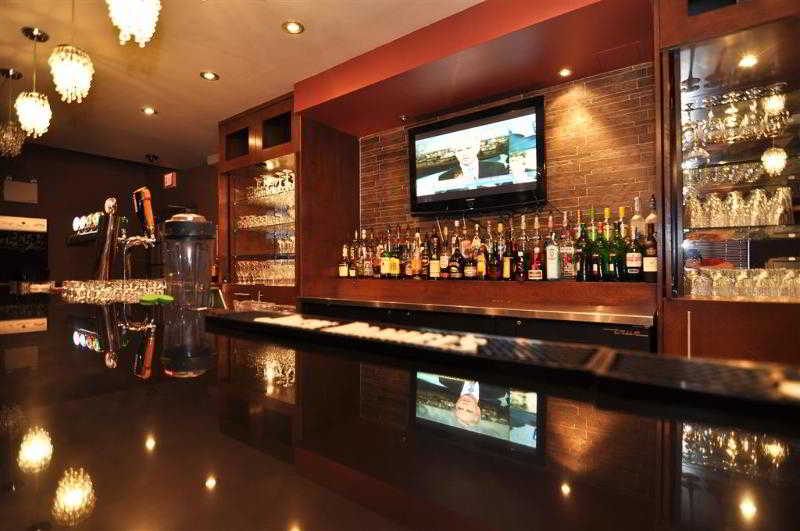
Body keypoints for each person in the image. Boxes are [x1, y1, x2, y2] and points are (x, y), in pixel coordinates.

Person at [436, 130, 507, 188]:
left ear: (477, 149)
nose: (464, 153)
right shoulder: (444, 178)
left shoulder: (497, 167)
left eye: (468, 148)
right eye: (459, 150)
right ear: (455, 154)